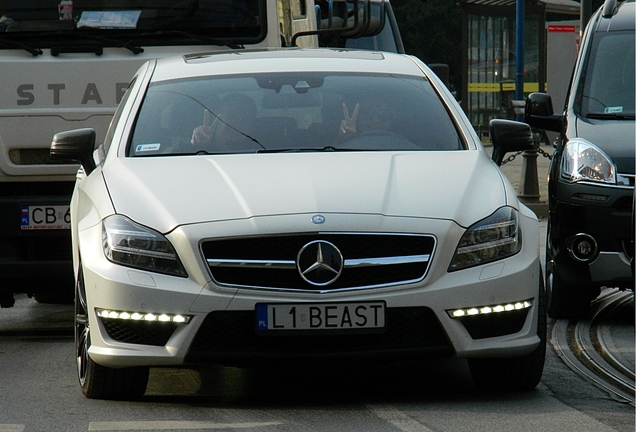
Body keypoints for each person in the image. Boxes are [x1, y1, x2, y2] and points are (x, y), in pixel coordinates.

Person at [191, 93, 259, 152]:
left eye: (245, 119)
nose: (237, 124)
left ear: (253, 125)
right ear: (216, 117)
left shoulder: (262, 150)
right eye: (232, 116)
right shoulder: (197, 149)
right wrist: (199, 145)